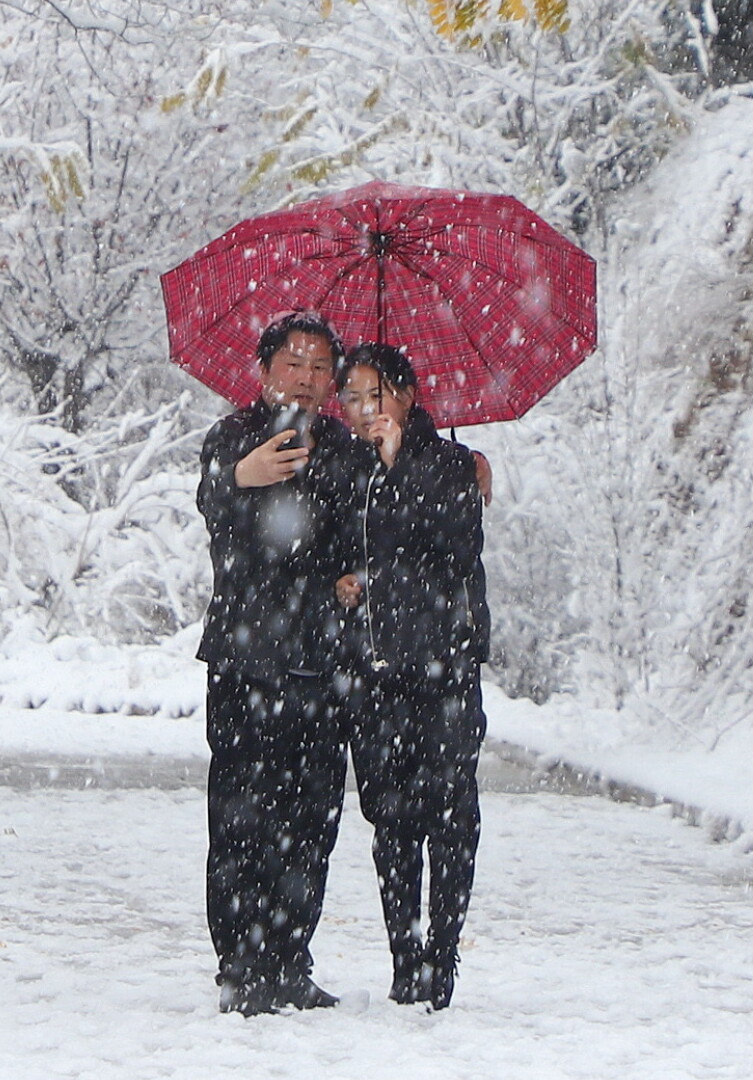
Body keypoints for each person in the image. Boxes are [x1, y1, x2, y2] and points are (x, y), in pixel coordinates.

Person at [194, 311, 359, 1016]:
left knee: (312, 817)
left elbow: (370, 527)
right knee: (240, 817)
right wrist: (245, 475)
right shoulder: (231, 436)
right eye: (295, 362)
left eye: (322, 366)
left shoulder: (346, 450)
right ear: (265, 370)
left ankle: (290, 960)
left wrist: (459, 463)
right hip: (246, 657)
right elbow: (211, 503)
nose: (308, 376)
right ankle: (239, 967)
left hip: (319, 661)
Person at [330, 342, 490, 1011]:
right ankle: (405, 952)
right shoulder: (343, 467)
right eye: (352, 400)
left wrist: (400, 469)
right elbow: (328, 545)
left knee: (450, 816)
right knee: (391, 819)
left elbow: (458, 548)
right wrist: (337, 574)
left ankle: (442, 953)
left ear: (406, 393)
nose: (365, 412)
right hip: (374, 669)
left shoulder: (454, 464)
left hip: (444, 667)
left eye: (375, 395)